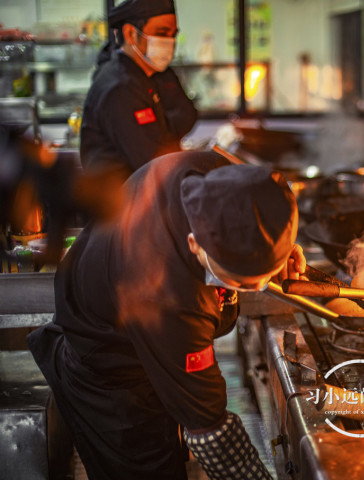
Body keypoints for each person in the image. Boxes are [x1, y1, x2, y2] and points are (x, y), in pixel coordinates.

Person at [27, 150, 306, 479]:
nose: (258, 286)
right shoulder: (165, 295)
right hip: (110, 381)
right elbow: (211, 429)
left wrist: (279, 249)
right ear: (194, 243)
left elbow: (262, 202)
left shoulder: (217, 176)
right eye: (241, 282)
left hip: (129, 322)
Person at [80, 0, 198, 180]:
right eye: (161, 33)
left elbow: (186, 114)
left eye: (173, 34)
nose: (170, 42)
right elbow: (151, 161)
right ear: (130, 34)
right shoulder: (119, 87)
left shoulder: (144, 77)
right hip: (121, 202)